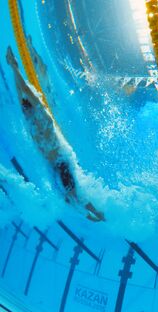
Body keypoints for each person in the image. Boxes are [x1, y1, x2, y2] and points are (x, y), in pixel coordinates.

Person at [6, 46, 104, 222]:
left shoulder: (42, 118)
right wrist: (14, 68)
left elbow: (26, 92)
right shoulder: (32, 125)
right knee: (68, 197)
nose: (27, 115)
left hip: (61, 162)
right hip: (55, 165)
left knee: (73, 195)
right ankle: (92, 213)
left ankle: (96, 214)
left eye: (28, 112)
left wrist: (15, 68)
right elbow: (22, 97)